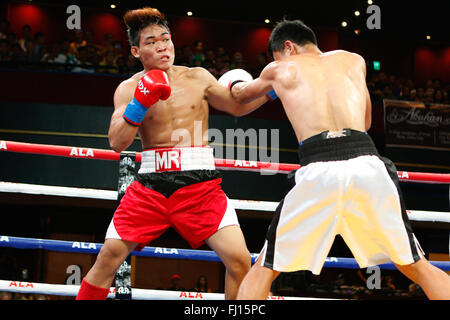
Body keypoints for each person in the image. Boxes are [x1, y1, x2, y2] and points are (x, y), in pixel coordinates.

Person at [228, 19, 450, 300]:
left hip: (319, 168)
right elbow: (367, 121)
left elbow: (238, 97)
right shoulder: (354, 60)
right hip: (368, 163)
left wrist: (235, 81)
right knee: (416, 265)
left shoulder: (279, 68)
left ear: (288, 47)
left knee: (266, 267)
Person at [75, 7, 272, 300]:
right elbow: (117, 142)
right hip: (150, 187)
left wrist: (272, 91)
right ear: (135, 51)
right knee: (108, 258)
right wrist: (139, 102)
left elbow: (236, 106)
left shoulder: (199, 77)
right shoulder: (127, 89)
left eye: (165, 38)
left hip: (200, 186)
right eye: (151, 41)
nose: (161, 46)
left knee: (240, 259)